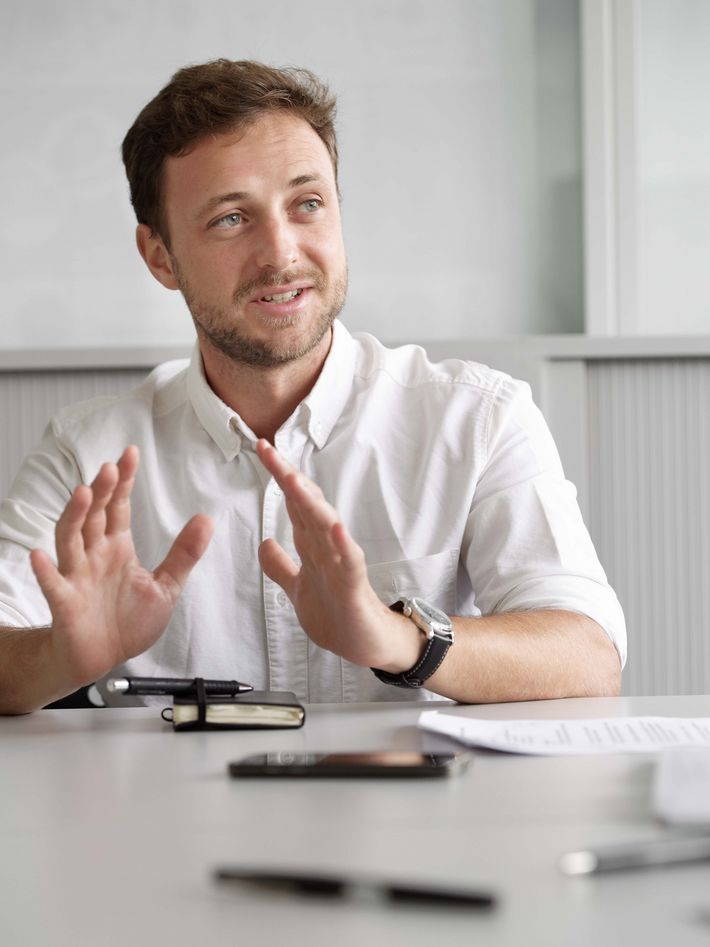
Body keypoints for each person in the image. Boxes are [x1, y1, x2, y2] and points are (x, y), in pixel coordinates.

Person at [0, 59, 625, 714]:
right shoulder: (88, 453)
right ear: (160, 256)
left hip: (421, 816)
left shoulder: (478, 418)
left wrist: (395, 636)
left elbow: (587, 654)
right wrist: (63, 656)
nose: (283, 253)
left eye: (307, 205)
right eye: (230, 219)